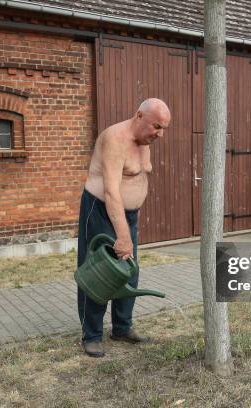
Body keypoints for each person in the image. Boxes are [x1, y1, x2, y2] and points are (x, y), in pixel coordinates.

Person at [77, 98, 171, 357]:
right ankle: (92, 335)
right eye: (157, 126)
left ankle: (121, 326)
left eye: (163, 128)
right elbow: (111, 191)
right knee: (99, 273)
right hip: (100, 210)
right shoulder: (114, 139)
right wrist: (122, 236)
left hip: (127, 215)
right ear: (139, 115)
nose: (160, 134)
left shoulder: (145, 141)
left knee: (129, 271)